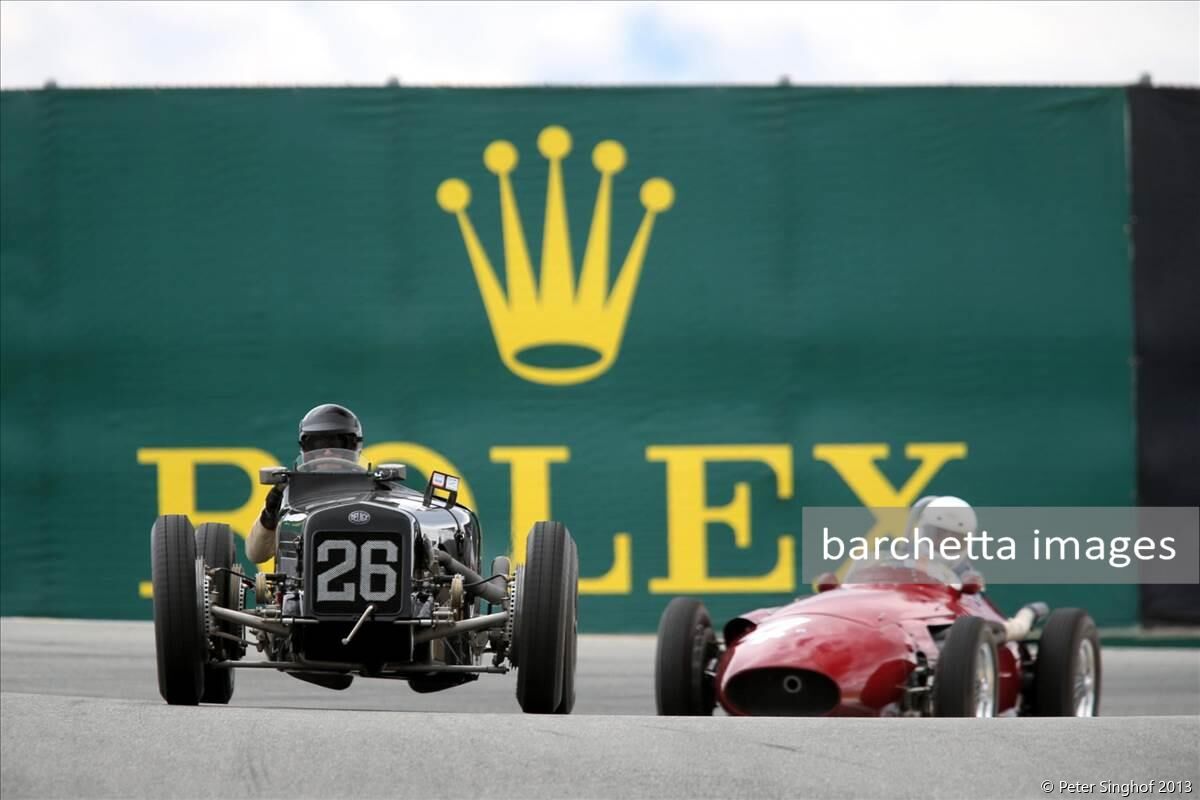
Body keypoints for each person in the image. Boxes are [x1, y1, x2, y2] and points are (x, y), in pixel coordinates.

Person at [907, 495, 1046, 641]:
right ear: (923, 532)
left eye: (954, 538)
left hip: (955, 631)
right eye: (938, 534)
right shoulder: (902, 559)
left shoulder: (965, 574)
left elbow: (973, 606)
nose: (944, 542)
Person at [245, 403, 364, 563]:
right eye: (318, 443)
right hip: (300, 583)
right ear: (305, 447)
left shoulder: (377, 490)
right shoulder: (290, 493)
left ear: (354, 445)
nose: (327, 451)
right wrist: (270, 514)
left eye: (338, 442)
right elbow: (257, 554)